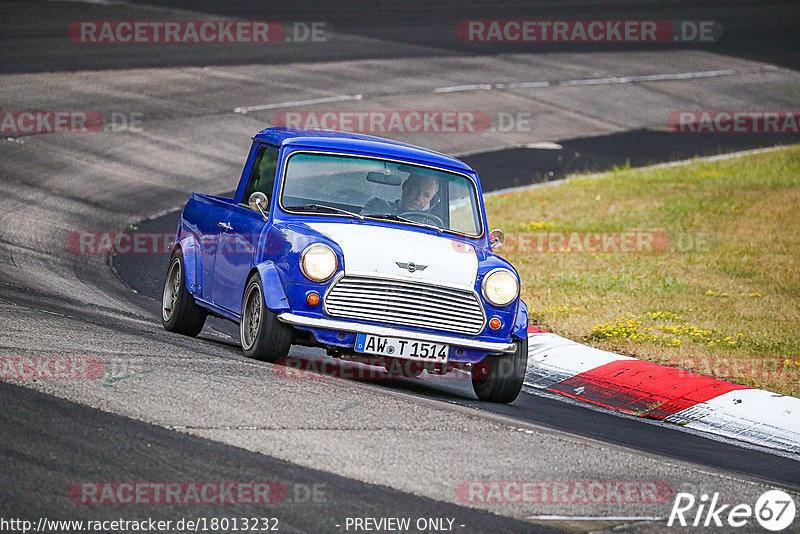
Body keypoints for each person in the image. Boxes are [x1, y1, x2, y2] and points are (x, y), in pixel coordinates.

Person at [362, 173, 439, 215]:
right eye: (416, 190)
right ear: (405, 186)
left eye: (426, 195)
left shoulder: (429, 224)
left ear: (431, 199)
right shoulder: (377, 206)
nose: (419, 197)